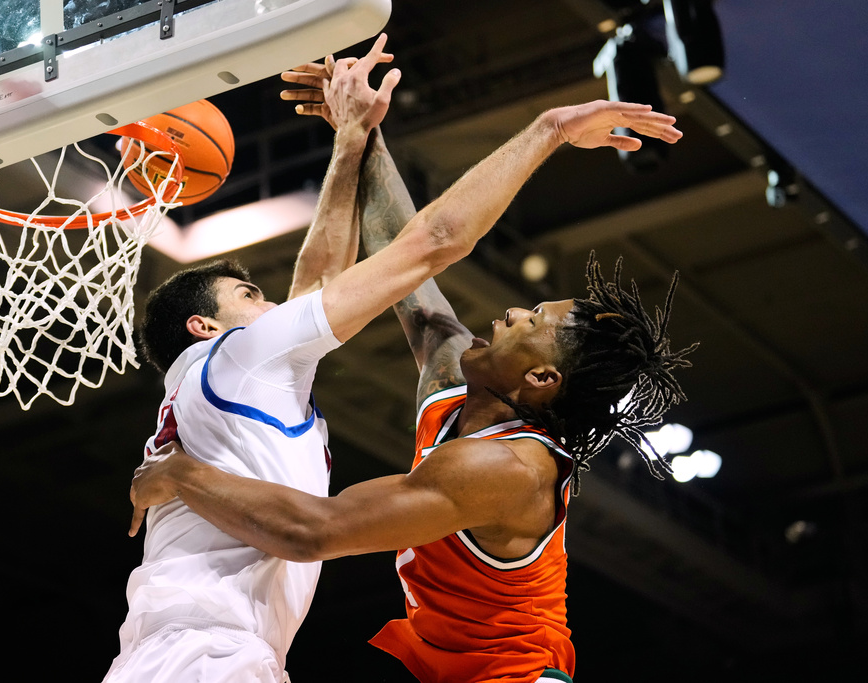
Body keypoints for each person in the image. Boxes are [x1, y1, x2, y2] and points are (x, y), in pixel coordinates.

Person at [115, 35, 686, 683]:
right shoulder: (452, 374)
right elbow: (400, 253)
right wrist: (360, 130)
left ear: (541, 378)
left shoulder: (507, 466)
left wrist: (181, 473)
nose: (509, 312)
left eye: (533, 321)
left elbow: (315, 531)